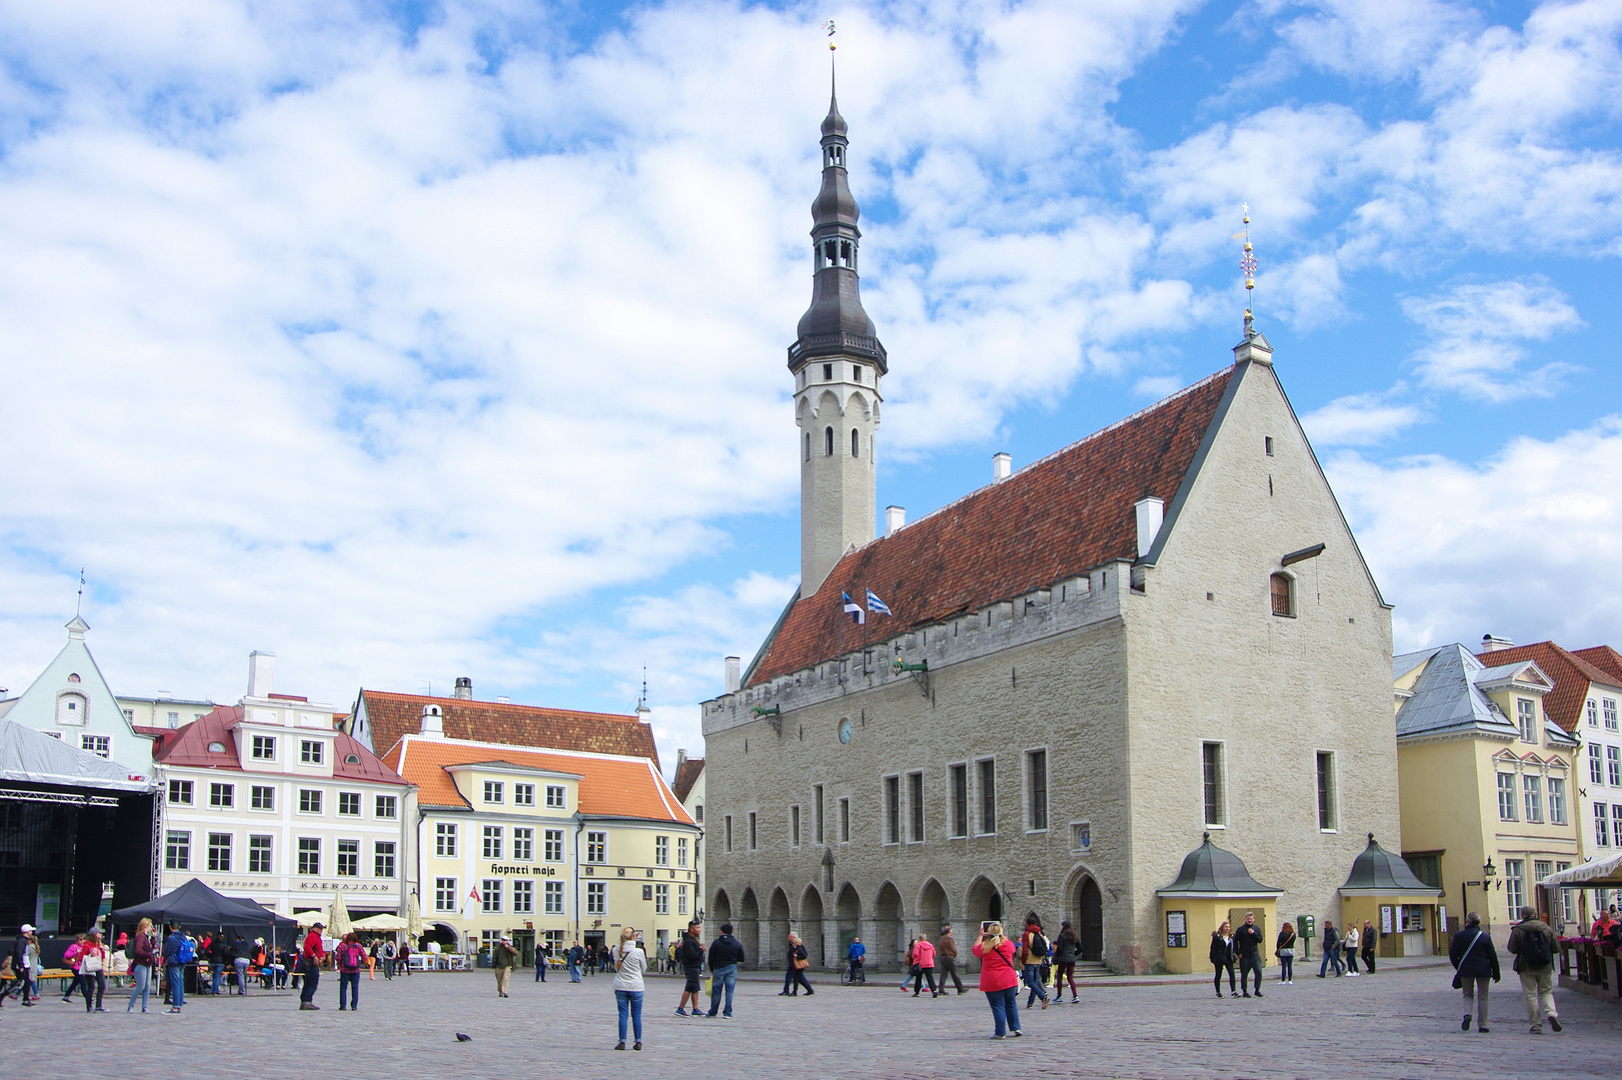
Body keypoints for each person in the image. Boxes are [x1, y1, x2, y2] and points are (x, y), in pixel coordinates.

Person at [1508, 904, 1562, 1035]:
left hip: (1526, 967)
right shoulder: (1546, 928)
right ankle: (1551, 1013)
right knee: (1546, 992)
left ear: (1522, 915)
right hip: (1545, 966)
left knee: (1531, 995)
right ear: (1535, 914)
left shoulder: (1519, 929)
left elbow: (1512, 948)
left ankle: (1536, 1024)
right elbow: (1556, 948)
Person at [1449, 910, 1500, 1032]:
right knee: (1483, 997)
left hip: (1466, 969)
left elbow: (1453, 954)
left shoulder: (1459, 936)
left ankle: (1467, 1014)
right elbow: (1492, 956)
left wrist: (1459, 967)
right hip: (1483, 969)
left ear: (1467, 921)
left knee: (1467, 994)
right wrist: (1496, 973)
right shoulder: (1485, 937)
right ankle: (1483, 1025)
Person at [973, 922, 1022, 1039]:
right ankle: (1016, 1027)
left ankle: (1000, 1032)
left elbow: (975, 950)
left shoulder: (985, 946)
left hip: (992, 980)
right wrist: (1003, 937)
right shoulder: (1008, 944)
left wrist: (980, 936)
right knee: (1011, 1003)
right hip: (1009, 978)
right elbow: (1013, 950)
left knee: (998, 1006)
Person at [611, 928, 646, 1051]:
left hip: (620, 985)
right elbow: (644, 968)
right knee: (636, 1015)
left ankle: (622, 1041)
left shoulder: (615, 950)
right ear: (633, 937)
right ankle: (638, 1041)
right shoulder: (638, 951)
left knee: (622, 1015)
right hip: (636, 986)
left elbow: (616, 967)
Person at [705, 922, 745, 1018]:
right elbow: (742, 958)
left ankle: (713, 1012)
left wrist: (711, 968)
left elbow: (711, 957)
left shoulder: (716, 943)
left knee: (716, 991)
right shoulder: (736, 943)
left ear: (722, 932)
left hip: (718, 968)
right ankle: (727, 1012)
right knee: (729, 991)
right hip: (731, 968)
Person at [675, 920, 705, 1016]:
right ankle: (680, 1008)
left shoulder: (693, 939)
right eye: (697, 928)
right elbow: (692, 955)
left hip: (695, 967)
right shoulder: (689, 941)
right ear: (691, 929)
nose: (699, 930)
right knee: (689, 987)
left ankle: (695, 1009)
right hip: (691, 967)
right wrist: (701, 951)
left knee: (695, 988)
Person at [126, 918, 156, 1013]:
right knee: (140, 986)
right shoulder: (141, 937)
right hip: (141, 963)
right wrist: (148, 955)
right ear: (145, 926)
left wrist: (153, 938)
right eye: (150, 926)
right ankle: (131, 1006)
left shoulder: (147, 937)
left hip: (147, 964)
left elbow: (152, 947)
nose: (151, 928)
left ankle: (145, 1006)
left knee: (147, 986)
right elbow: (138, 950)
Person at [1020, 920, 1050, 1009]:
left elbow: (1024, 949)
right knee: (1035, 981)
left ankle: (1042, 996)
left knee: (1030, 981)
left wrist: (1023, 960)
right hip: (1038, 960)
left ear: (1027, 924)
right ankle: (1030, 1003)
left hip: (1030, 960)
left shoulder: (1027, 934)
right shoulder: (1039, 933)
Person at [1234, 912, 1264, 998]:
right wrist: (1238, 952)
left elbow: (1260, 940)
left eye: (1251, 919)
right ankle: (1245, 991)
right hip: (1245, 956)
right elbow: (1235, 941)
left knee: (1258, 972)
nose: (1250, 920)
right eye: (1248, 919)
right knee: (1244, 974)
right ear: (1245, 919)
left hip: (1255, 955)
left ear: (1253, 919)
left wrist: (1253, 933)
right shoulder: (1241, 929)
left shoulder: (1256, 929)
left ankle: (1257, 990)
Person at [298, 920, 326, 1010]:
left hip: (313, 961)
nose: (321, 931)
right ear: (315, 929)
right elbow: (307, 947)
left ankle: (305, 1002)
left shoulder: (317, 937)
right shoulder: (312, 936)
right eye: (319, 929)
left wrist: (322, 956)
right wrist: (314, 956)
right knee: (312, 982)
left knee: (308, 982)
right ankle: (307, 1001)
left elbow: (319, 949)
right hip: (310, 962)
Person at [79, 930, 108, 1012]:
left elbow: (102, 956)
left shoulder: (99, 944)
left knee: (101, 985)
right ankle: (89, 1006)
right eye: (99, 933)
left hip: (98, 966)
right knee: (91, 986)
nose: (101, 935)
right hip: (90, 967)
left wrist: (102, 950)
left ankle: (99, 1005)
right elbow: (82, 957)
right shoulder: (87, 945)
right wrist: (90, 955)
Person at [162, 923, 188, 1014]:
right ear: (179, 927)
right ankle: (179, 1005)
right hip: (182, 961)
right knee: (180, 983)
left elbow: (166, 952)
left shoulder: (172, 938)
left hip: (174, 962)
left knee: (175, 984)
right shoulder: (183, 937)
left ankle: (175, 1007)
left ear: (170, 927)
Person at [1050, 922, 1079, 1004]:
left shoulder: (1062, 936)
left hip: (1063, 959)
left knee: (1059, 976)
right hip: (1071, 959)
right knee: (1070, 977)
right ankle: (1075, 996)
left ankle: (1059, 996)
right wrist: (1074, 954)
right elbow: (1081, 948)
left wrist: (1056, 956)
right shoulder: (1074, 936)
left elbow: (1060, 948)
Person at [336, 932, 365, 1011]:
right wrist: (358, 964)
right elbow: (364, 957)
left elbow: (338, 957)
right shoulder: (359, 946)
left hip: (344, 970)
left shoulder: (342, 946)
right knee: (355, 988)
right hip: (355, 970)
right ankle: (354, 1005)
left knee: (343, 988)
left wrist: (341, 965)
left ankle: (343, 1005)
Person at [1210, 921, 1238, 998]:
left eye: (1228, 927)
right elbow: (1213, 948)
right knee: (1218, 974)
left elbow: (1234, 947)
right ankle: (1218, 992)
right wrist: (1213, 958)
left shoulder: (1231, 937)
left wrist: (1235, 954)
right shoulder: (1217, 937)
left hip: (1229, 957)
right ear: (1222, 927)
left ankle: (1233, 991)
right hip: (1219, 957)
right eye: (1226, 927)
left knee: (1232, 974)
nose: (1227, 928)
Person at [937, 925, 966, 996]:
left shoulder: (941, 938)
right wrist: (954, 954)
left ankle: (941, 990)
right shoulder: (949, 938)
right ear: (949, 932)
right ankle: (960, 989)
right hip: (949, 957)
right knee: (954, 973)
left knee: (943, 975)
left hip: (943, 957)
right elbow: (953, 948)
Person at [911, 932, 941, 997]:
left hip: (920, 964)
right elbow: (934, 954)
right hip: (929, 963)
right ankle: (934, 991)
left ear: (919, 939)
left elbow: (915, 954)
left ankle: (917, 992)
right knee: (930, 977)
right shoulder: (930, 945)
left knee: (918, 978)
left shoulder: (918, 945)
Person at [62, 931, 86, 1003]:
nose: (79, 941)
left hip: (82, 967)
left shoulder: (85, 947)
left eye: (81, 939)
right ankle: (88, 997)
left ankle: (66, 996)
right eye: (78, 939)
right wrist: (76, 952)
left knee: (75, 982)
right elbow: (66, 955)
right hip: (75, 967)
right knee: (83, 982)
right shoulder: (73, 946)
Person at [491, 935, 518, 999]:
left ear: (507, 941)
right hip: (498, 966)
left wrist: (508, 947)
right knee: (499, 980)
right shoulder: (498, 947)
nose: (504, 941)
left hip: (507, 966)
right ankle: (500, 991)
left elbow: (516, 953)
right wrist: (494, 964)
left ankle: (505, 992)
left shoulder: (510, 947)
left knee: (505, 979)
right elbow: (495, 956)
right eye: (503, 940)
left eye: (505, 940)